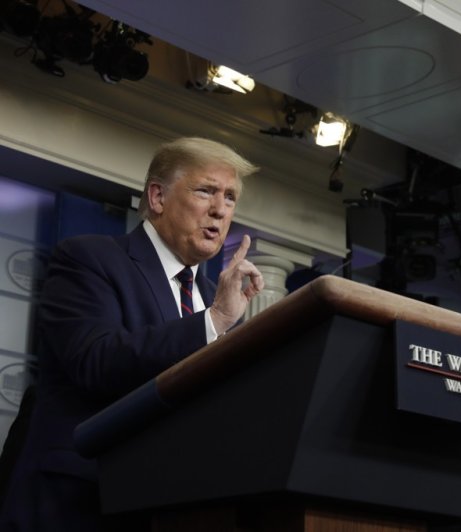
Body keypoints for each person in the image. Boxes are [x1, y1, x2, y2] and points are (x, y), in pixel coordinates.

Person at [0, 137, 264, 531]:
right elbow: (97, 361)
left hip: (173, 505)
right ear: (157, 197)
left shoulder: (215, 300)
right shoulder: (89, 258)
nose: (219, 209)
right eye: (206, 190)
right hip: (81, 502)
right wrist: (214, 321)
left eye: (229, 198)